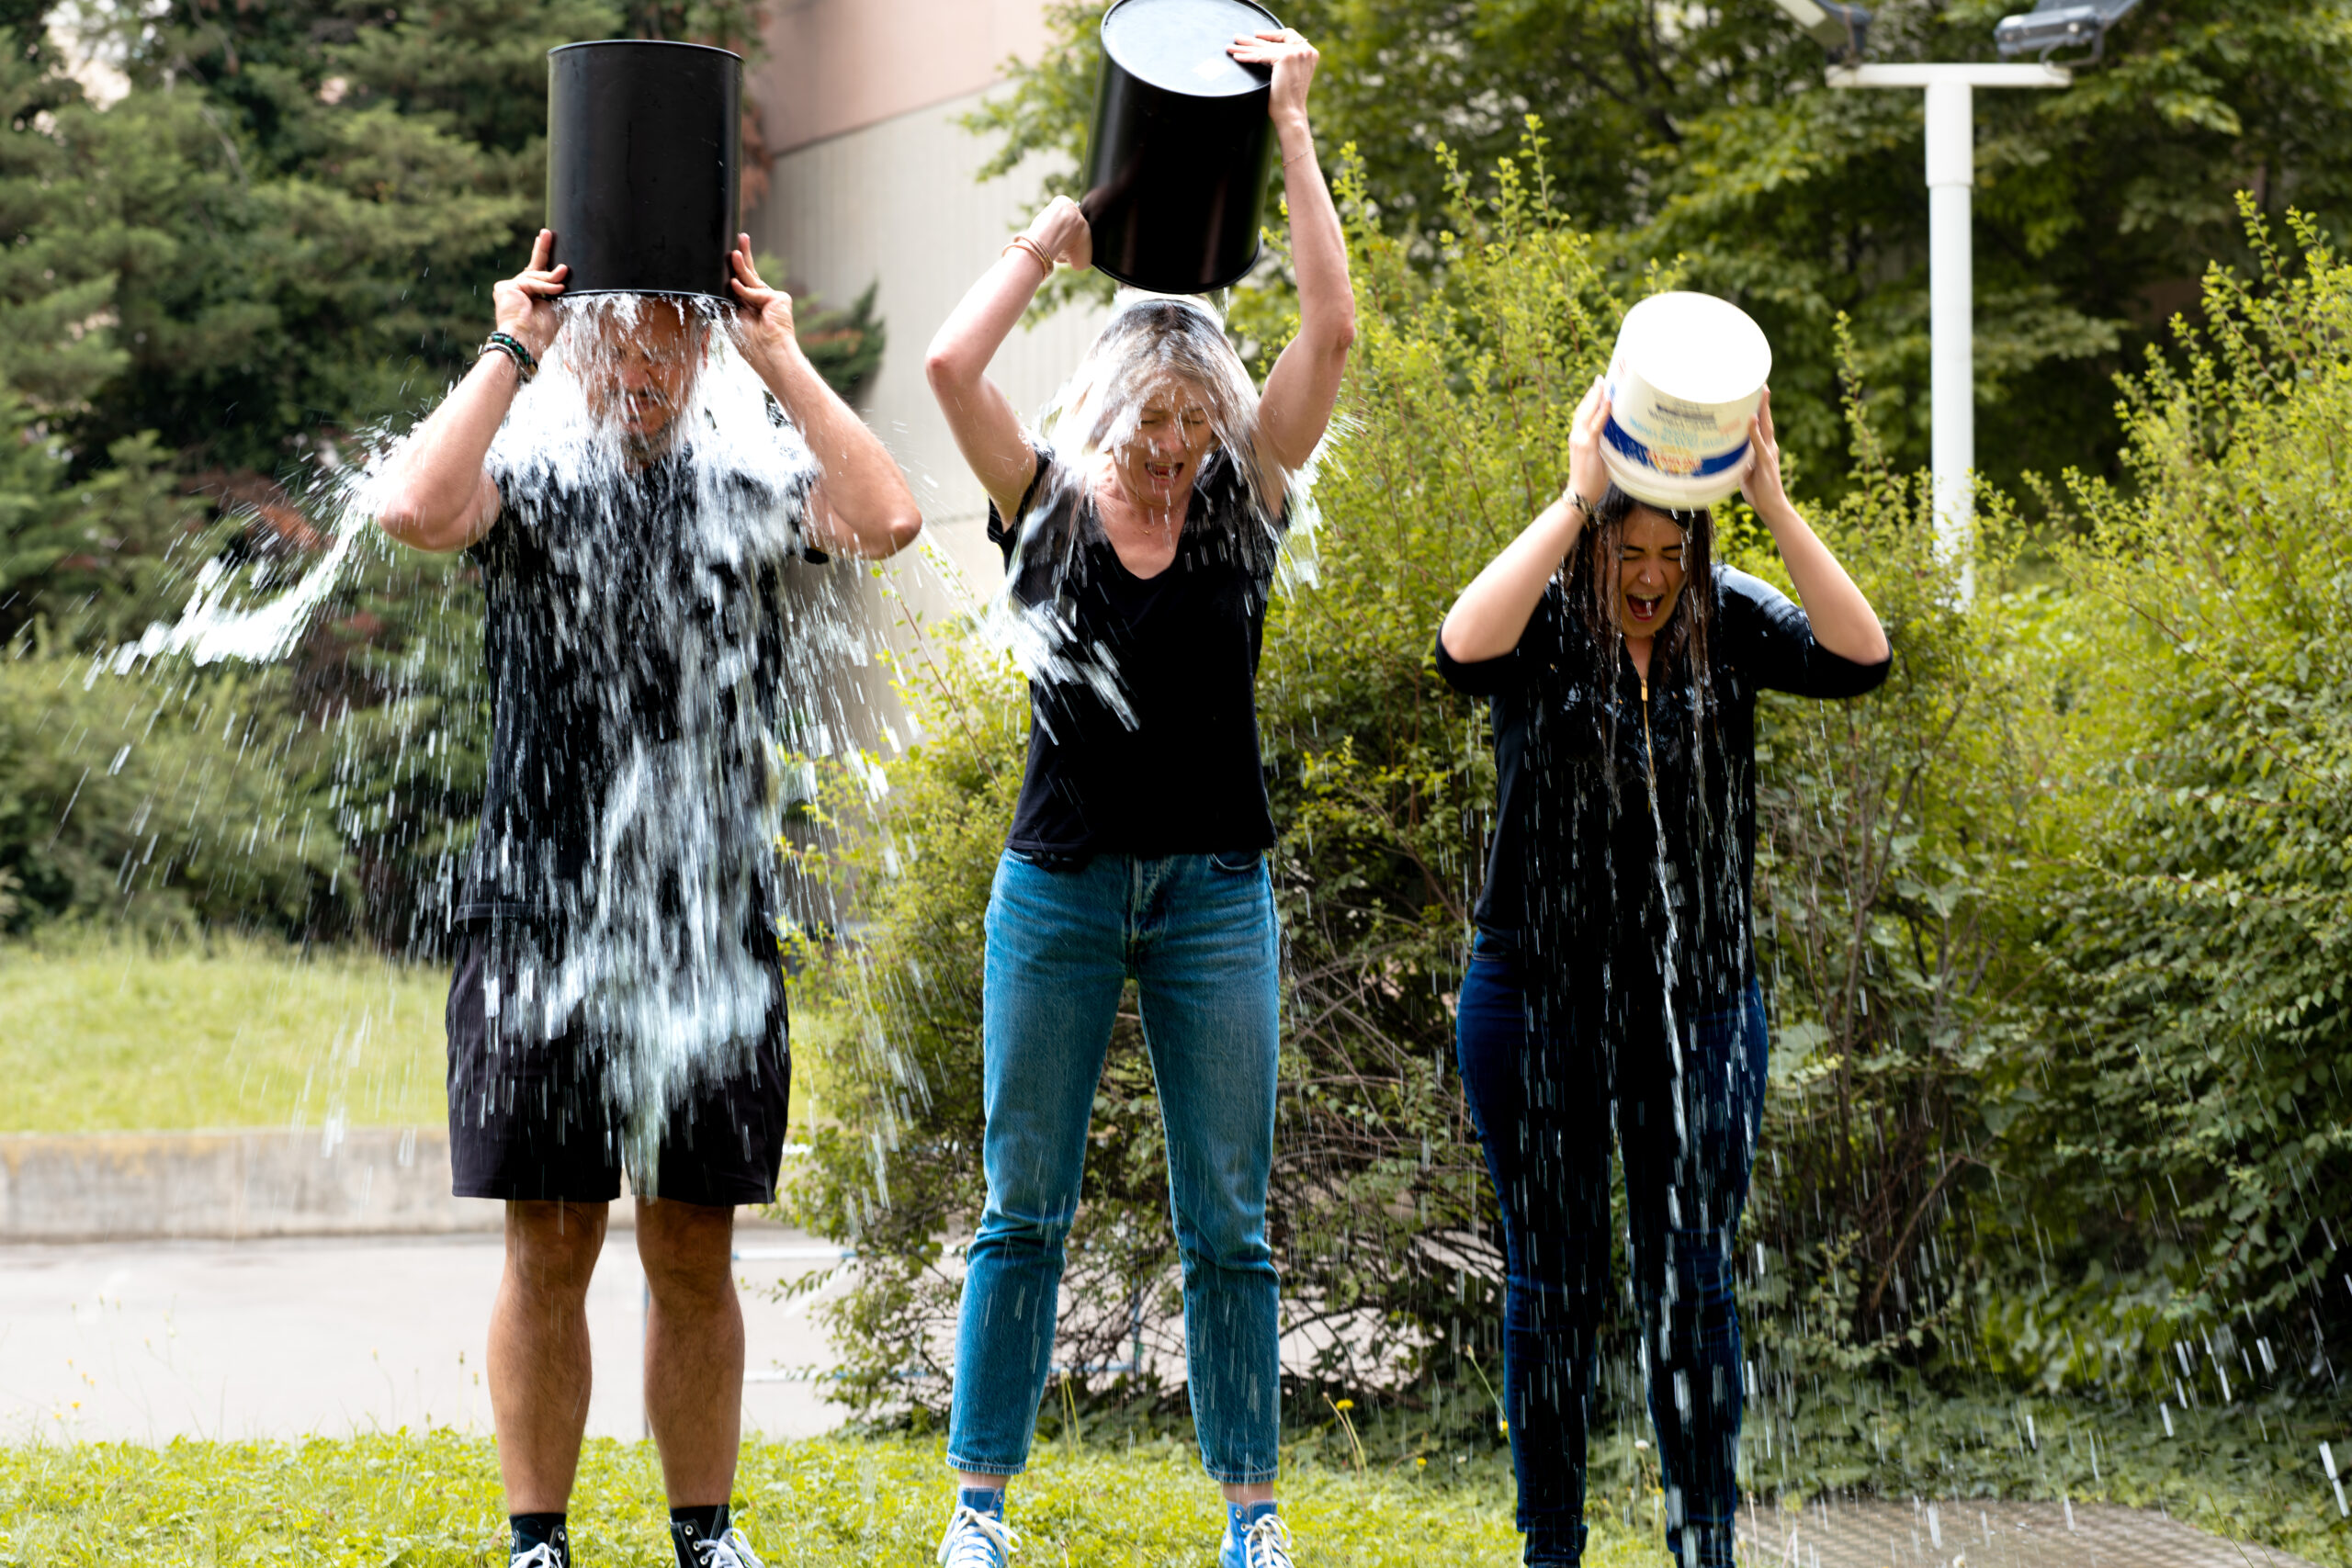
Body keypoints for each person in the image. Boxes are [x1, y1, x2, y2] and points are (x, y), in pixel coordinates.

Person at [374, 231, 921, 1568]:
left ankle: (702, 1534)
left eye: (673, 335)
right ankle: (536, 1541)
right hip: (537, 911)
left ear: (702, 345)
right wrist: (515, 345)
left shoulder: (749, 480)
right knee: (548, 1248)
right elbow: (413, 511)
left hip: (707, 918)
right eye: (618, 335)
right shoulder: (532, 475)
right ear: (586, 343)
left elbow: (889, 517)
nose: (644, 361)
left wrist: (780, 351)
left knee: (691, 1250)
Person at [919, 26, 1352, 1568]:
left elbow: (1333, 331)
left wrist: (1289, 123)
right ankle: (980, 1512)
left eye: (1195, 424)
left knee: (1225, 1222)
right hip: (1060, 886)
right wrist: (1058, 235)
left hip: (1216, 898)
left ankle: (1253, 1518)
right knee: (1019, 1203)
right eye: (1150, 426)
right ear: (1106, 418)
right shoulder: (1039, 508)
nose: (1173, 452)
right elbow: (946, 366)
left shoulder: (1243, 511)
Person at [1435, 379, 1891, 1567]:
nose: (1648, 574)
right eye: (1626, 550)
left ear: (1697, 546)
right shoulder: (1542, 620)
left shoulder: (1730, 619)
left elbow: (1862, 657)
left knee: (1692, 1281)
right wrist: (1573, 495)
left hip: (1700, 1008)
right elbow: (1457, 647)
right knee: (1552, 1286)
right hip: (1534, 1002)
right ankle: (1553, 1549)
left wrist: (1775, 502)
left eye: (1668, 551)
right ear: (1595, 546)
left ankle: (1707, 1548)